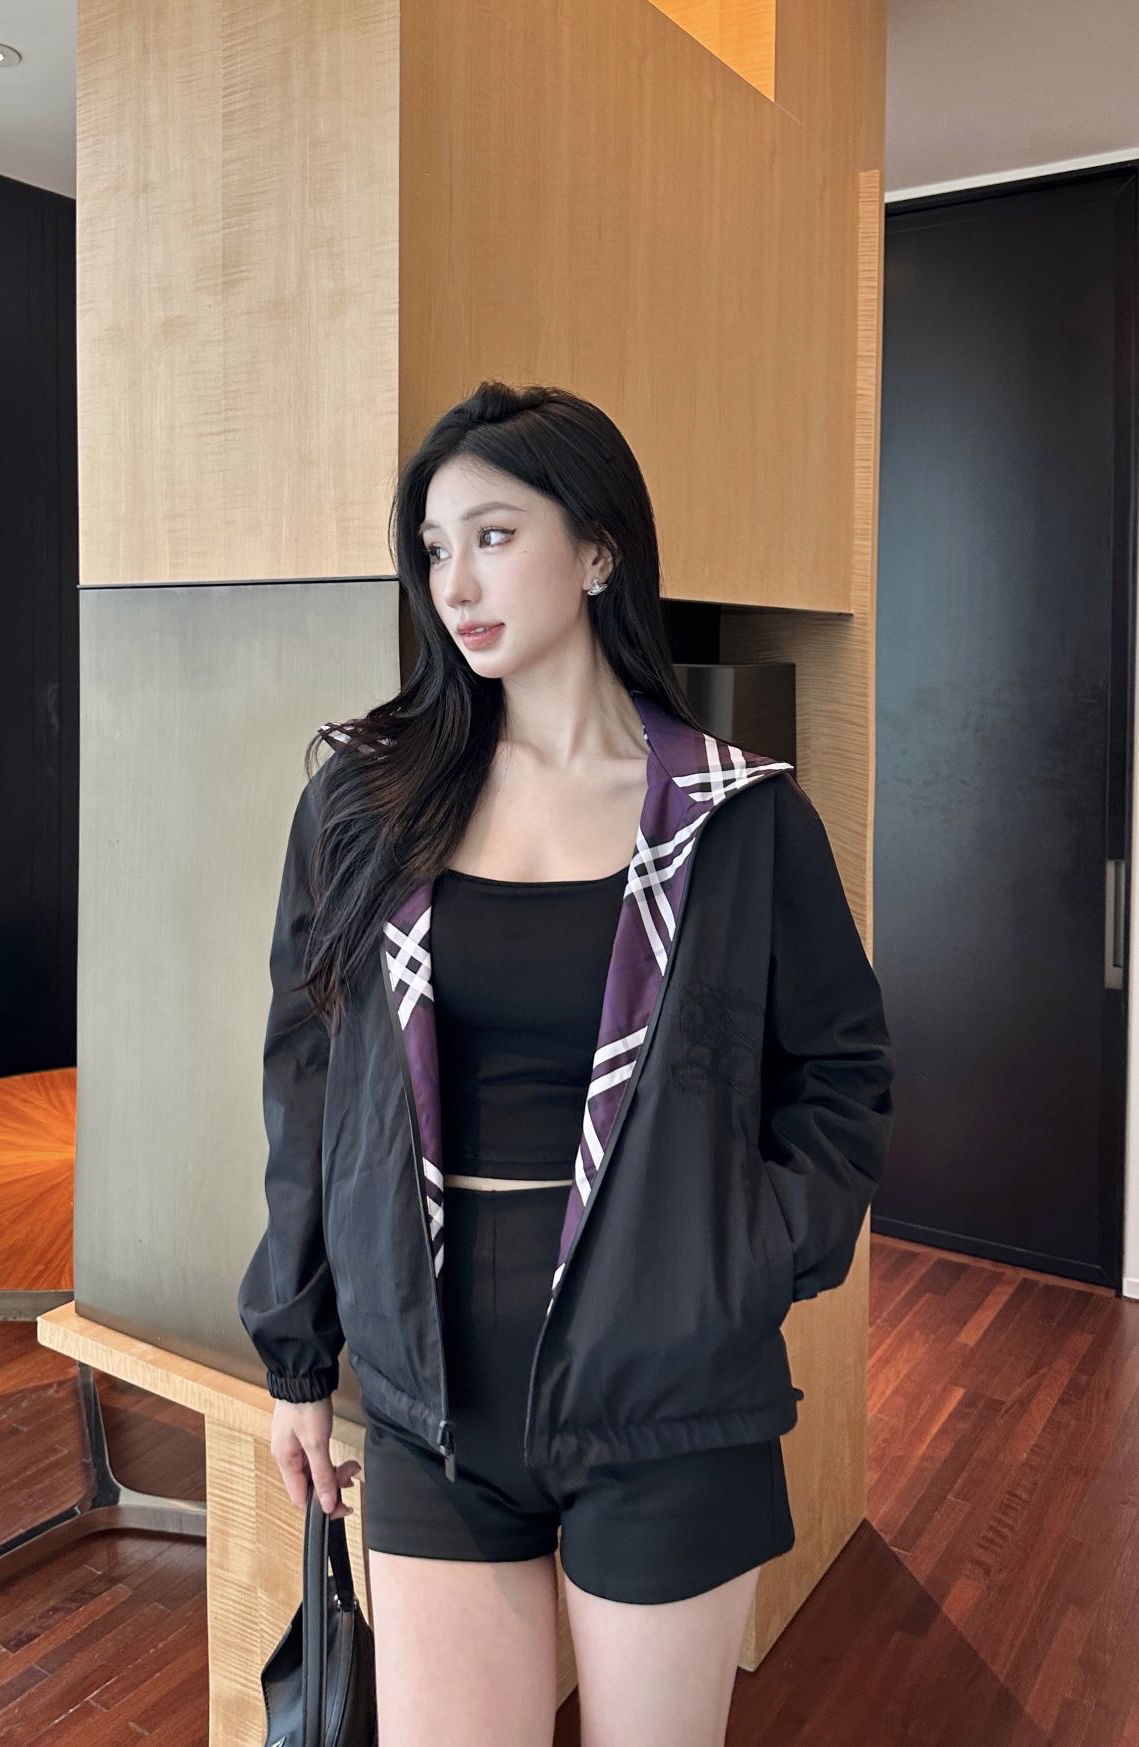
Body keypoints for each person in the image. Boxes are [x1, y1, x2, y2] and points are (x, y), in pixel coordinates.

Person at [238, 380, 895, 1747]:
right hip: (429, 1390)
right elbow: (307, 1080)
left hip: (670, 1389)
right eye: (434, 549)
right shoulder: (364, 803)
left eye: (493, 536)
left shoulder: (733, 819)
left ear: (598, 550)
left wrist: (745, 1258)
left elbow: (840, 1072)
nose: (455, 584)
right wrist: (298, 1356)